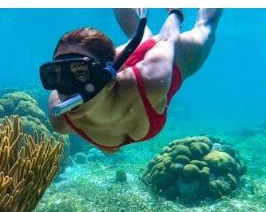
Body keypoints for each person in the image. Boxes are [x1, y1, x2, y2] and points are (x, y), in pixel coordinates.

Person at [42, 9, 220, 153]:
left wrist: (175, 11)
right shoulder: (60, 120)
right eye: (56, 74)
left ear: (110, 80)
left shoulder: (152, 79)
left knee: (206, 30)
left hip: (167, 62)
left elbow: (168, 39)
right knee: (139, 37)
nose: (65, 88)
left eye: (80, 72)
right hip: (110, 71)